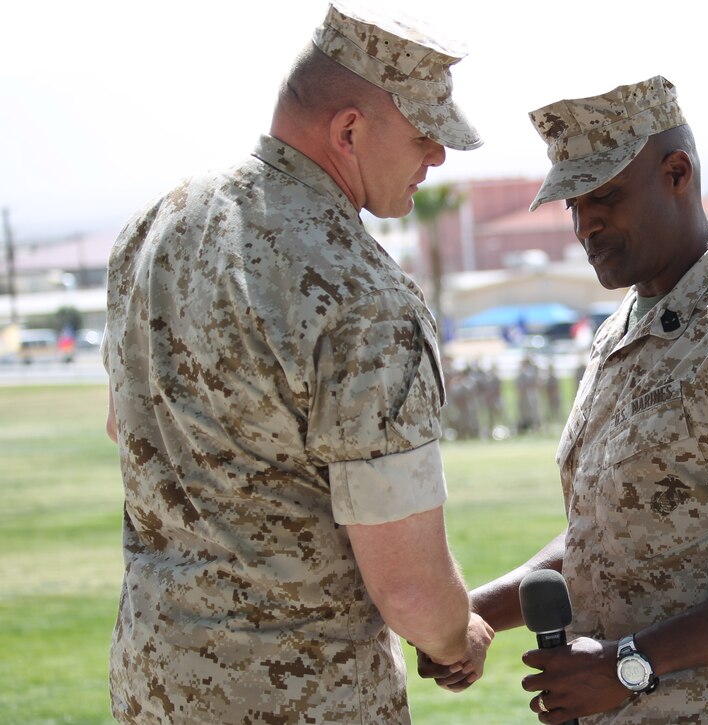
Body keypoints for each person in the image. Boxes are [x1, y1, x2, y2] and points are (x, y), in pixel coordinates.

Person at [421, 76, 708, 723]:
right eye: (572, 202)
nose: (585, 222)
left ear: (677, 172)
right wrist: (472, 615)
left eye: (604, 193)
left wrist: (632, 663)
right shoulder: (621, 331)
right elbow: (609, 533)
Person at [101, 3, 493, 721]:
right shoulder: (365, 295)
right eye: (424, 134)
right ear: (349, 130)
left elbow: (122, 427)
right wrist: (454, 633)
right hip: (300, 696)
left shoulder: (159, 223)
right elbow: (407, 588)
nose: (436, 156)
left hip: (155, 683)